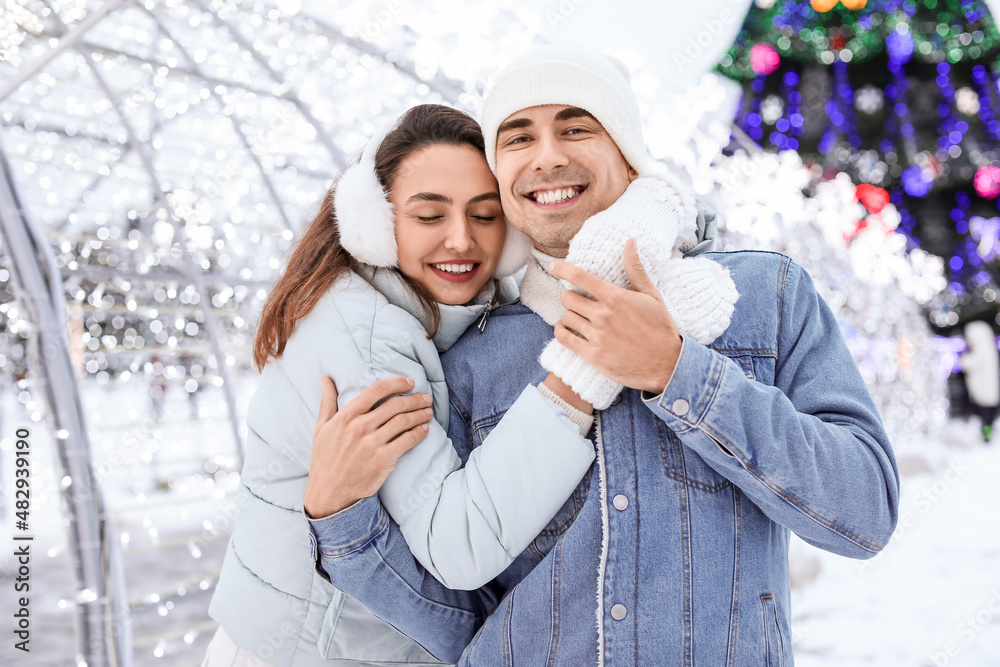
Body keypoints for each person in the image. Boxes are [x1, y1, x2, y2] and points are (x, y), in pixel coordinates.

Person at [306, 46, 900, 665]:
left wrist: (678, 371)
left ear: (626, 149)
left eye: (575, 128)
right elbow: (460, 616)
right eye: (517, 139)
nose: (548, 157)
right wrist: (340, 516)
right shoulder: (471, 352)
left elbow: (865, 512)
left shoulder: (762, 297)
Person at [204, 104, 602, 667]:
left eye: (484, 216)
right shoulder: (365, 339)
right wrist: (579, 380)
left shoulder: (427, 309)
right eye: (429, 216)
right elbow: (458, 545)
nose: (461, 240)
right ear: (376, 224)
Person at [960, 319, 999, 441]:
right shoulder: (989, 349)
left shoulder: (984, 350)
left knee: (986, 416)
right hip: (986, 390)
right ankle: (986, 434)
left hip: (985, 390)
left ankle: (986, 436)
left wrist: (963, 359)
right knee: (987, 416)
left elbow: (971, 363)